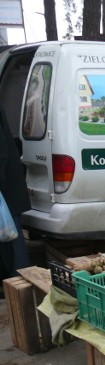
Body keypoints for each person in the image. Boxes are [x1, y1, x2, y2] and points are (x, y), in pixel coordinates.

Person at [0, 104, 31, 288]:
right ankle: (11, 286)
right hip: (7, 191)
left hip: (6, 192)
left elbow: (1, 154)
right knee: (7, 243)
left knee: (13, 242)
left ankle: (23, 289)